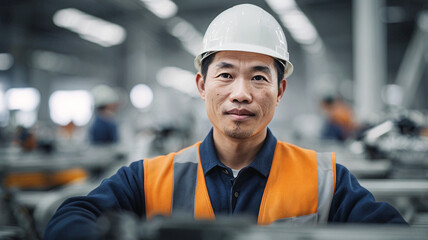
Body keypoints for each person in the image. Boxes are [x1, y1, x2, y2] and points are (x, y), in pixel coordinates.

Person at [45, 4, 406, 239]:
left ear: (280, 91)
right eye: (226, 75)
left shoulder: (326, 181)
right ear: (202, 85)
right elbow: (70, 217)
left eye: (259, 78)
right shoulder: (148, 179)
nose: (241, 93)